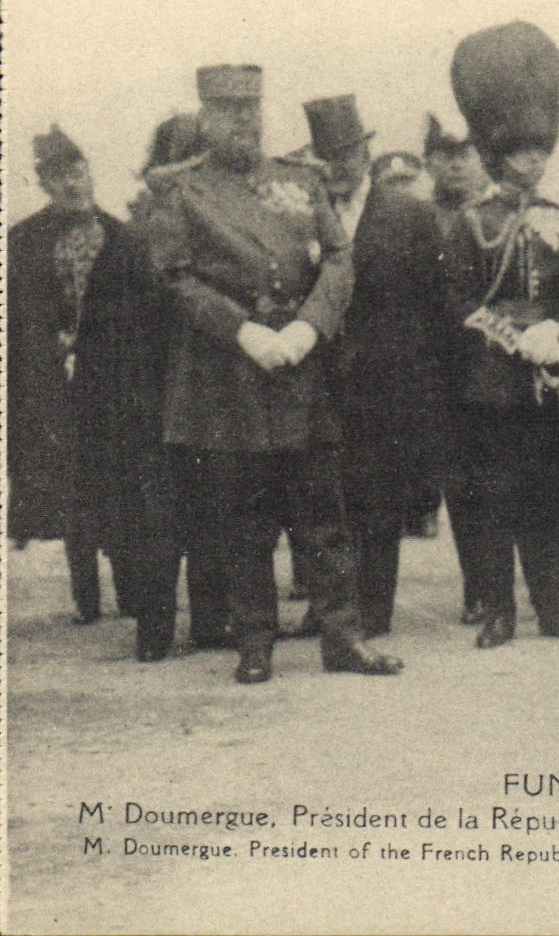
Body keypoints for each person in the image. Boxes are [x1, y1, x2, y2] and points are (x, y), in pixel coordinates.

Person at [145, 63, 403, 683]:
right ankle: (255, 642)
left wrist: (309, 326)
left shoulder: (299, 180)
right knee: (244, 519)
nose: (244, 121)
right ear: (204, 119)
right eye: (229, 111)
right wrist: (243, 331)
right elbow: (174, 277)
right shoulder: (180, 191)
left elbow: (338, 258)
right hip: (232, 373)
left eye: (251, 109)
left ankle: (344, 638)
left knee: (325, 515)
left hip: (300, 367)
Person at [443, 20, 559, 648]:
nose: (534, 161)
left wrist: (558, 330)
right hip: (492, 384)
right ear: (497, 155)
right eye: (521, 152)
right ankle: (499, 609)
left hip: (552, 376)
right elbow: (460, 304)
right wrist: (515, 339)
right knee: (494, 497)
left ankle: (554, 606)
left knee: (552, 495)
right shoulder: (471, 223)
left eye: (540, 151)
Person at [302, 94, 449, 638]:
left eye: (346, 154)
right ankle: (327, 607)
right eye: (327, 157)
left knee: (379, 499)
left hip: (388, 380)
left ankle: (372, 610)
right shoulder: (305, 214)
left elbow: (435, 302)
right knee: (325, 497)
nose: (338, 167)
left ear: (365, 155)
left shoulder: (409, 214)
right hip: (320, 376)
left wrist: (419, 377)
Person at [7, 126, 113, 623]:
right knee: (72, 485)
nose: (71, 183)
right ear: (45, 185)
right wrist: (53, 343)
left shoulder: (119, 234)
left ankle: (134, 590)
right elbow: (18, 319)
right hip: (56, 382)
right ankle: (85, 596)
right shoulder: (23, 241)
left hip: (113, 377)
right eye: (58, 177)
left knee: (118, 477)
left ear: (89, 171)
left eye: (77, 171)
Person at [423, 112, 493, 618]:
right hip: (444, 370)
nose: (455, 166)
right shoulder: (417, 218)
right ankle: (481, 586)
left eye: (464, 155)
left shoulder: (498, 213)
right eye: (444, 156)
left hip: (501, 361)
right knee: (465, 482)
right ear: (428, 162)